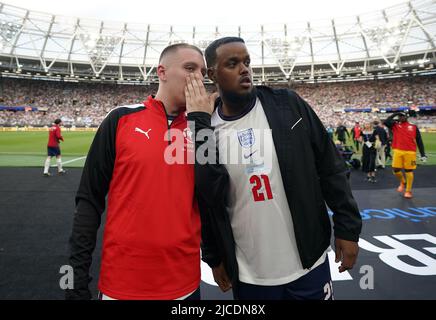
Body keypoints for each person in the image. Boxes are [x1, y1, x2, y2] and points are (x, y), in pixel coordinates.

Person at [186, 37, 362, 300]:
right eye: (232, 64)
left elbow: (330, 166)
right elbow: (207, 197)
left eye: (246, 61)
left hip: (309, 263)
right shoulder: (207, 128)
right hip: (249, 273)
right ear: (212, 74)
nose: (244, 69)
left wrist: (348, 228)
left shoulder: (287, 104)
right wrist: (213, 256)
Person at [66, 43, 207, 300]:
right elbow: (88, 200)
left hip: (184, 284)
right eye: (190, 68)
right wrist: (74, 280)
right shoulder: (120, 119)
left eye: (203, 72)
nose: (198, 77)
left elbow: (214, 200)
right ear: (161, 72)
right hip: (121, 283)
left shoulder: (204, 130)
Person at [383, 112, 427, 199]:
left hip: (410, 152)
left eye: (403, 116)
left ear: (406, 117)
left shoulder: (413, 127)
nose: (401, 117)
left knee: (409, 171)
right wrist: (396, 113)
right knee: (396, 169)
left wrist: (423, 154)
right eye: (400, 116)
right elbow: (386, 122)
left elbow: (419, 141)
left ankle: (408, 191)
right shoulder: (395, 125)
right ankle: (403, 182)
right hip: (398, 151)